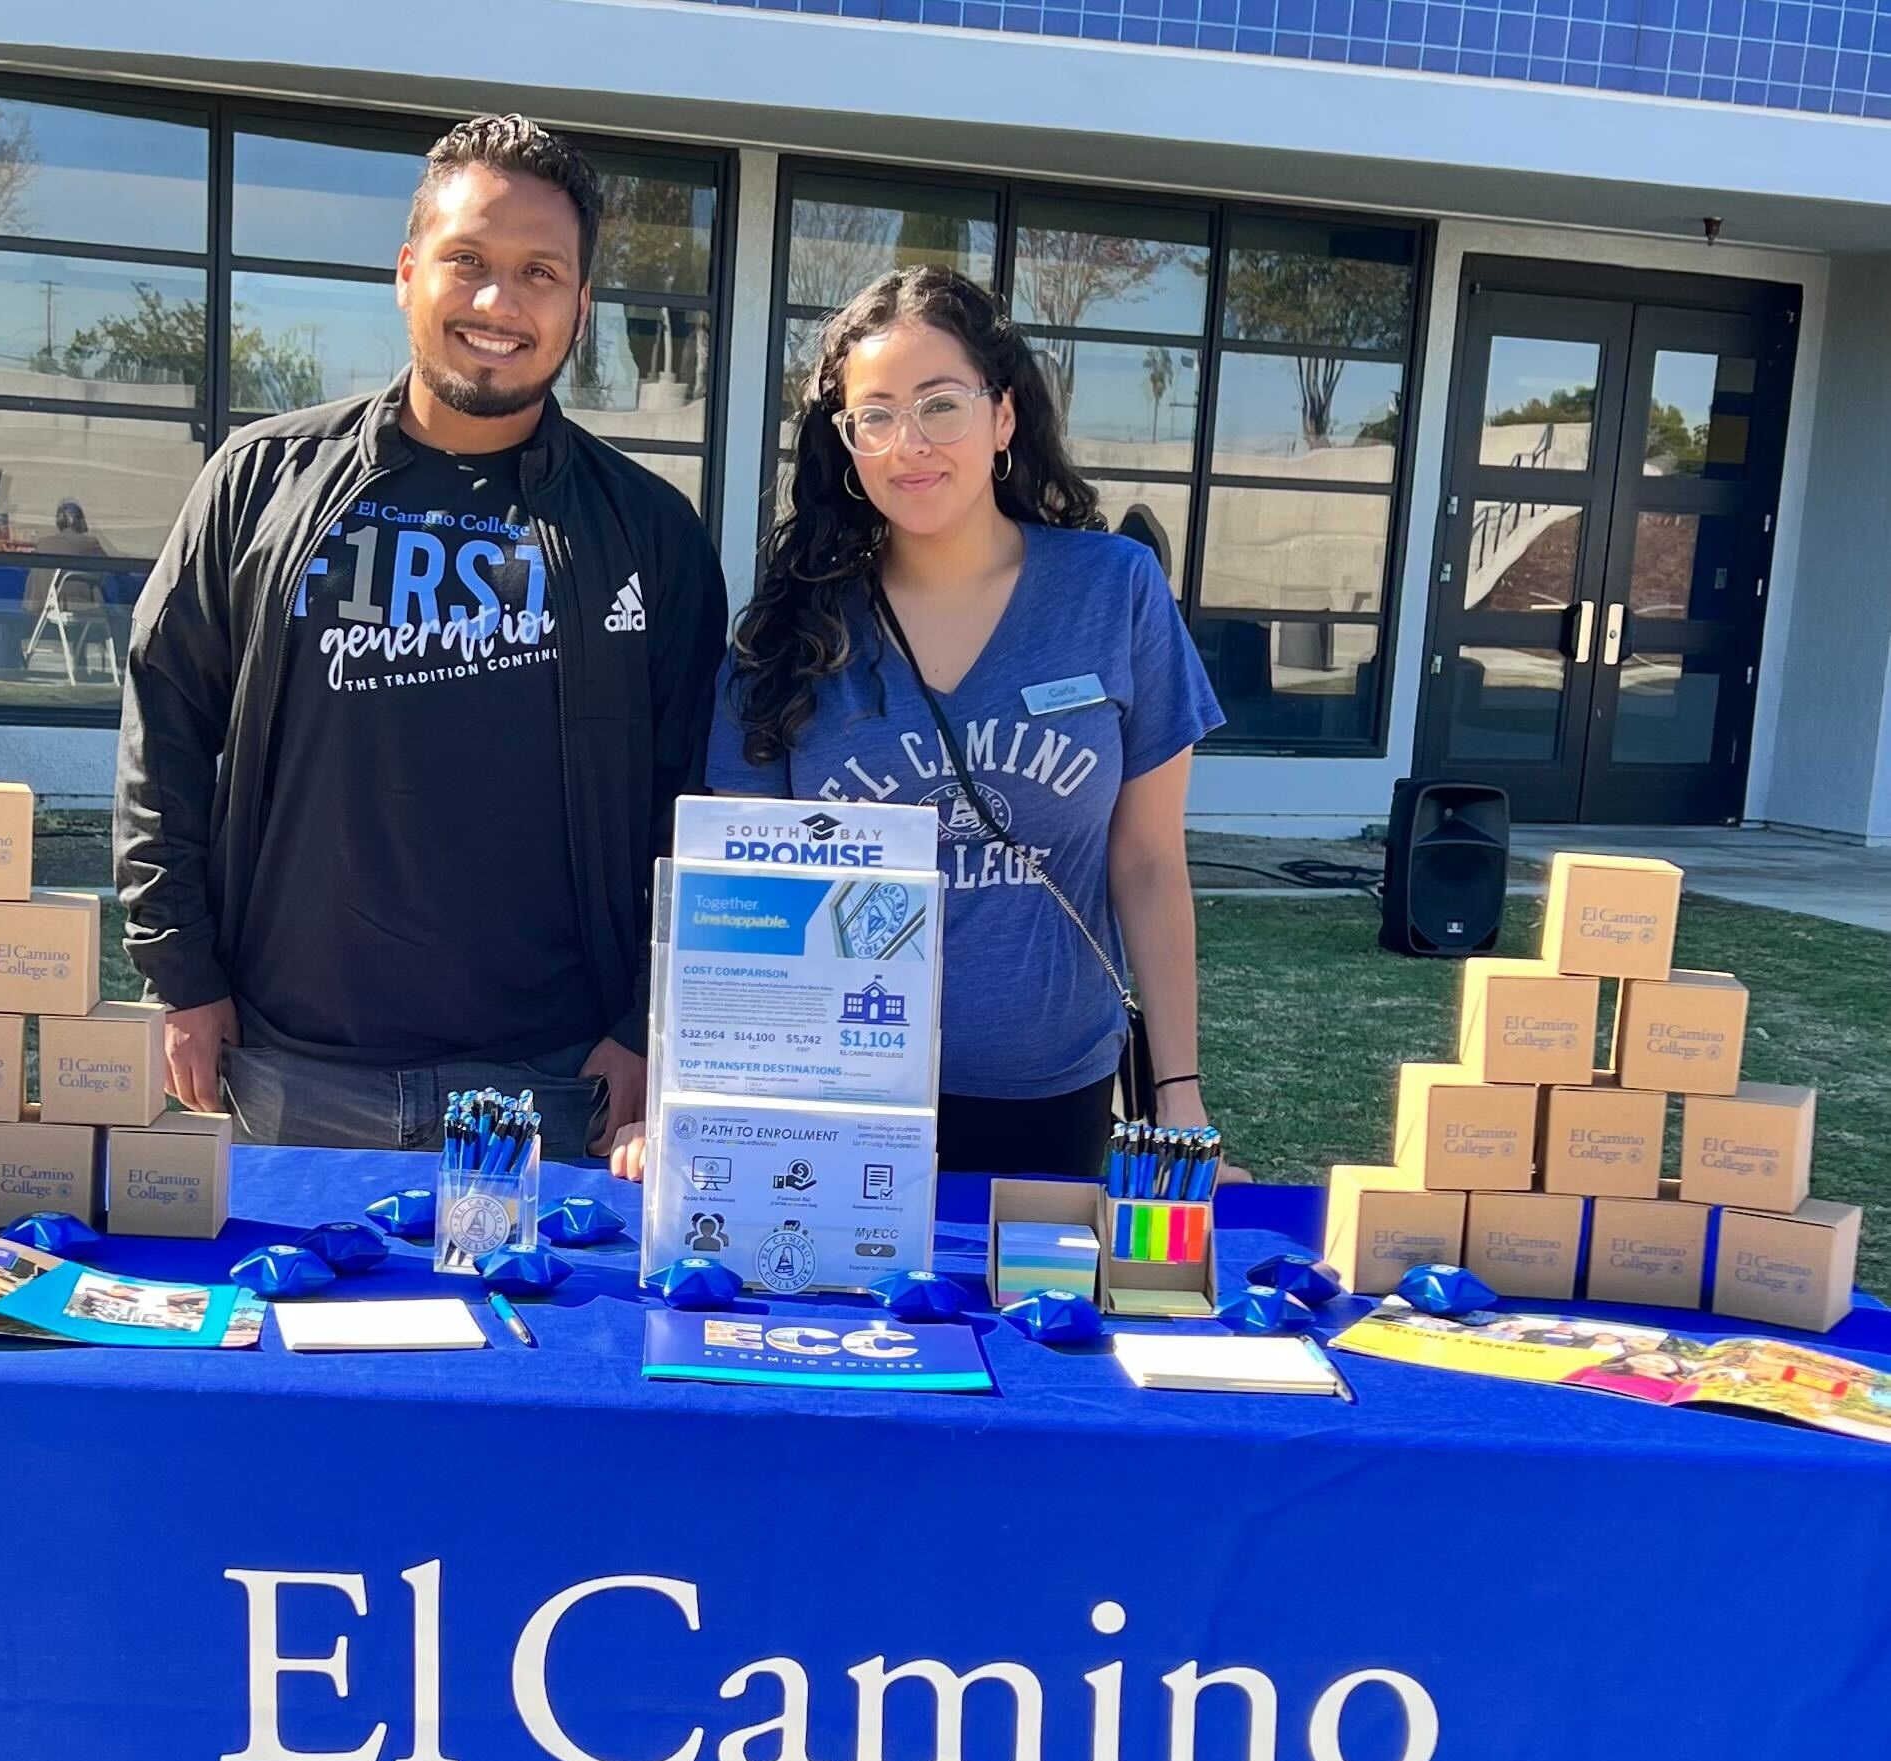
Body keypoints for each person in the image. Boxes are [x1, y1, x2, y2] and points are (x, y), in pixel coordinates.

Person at [115, 113, 727, 1159]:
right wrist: (183, 973)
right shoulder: (262, 482)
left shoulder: (649, 532)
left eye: (541, 272)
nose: (499, 302)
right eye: (468, 261)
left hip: (550, 1082)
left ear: (582, 307)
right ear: (408, 273)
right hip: (291, 1070)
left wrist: (644, 1022)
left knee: (549, 1331)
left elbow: (696, 799)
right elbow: (163, 730)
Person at [674, 265, 1224, 1182]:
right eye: (875, 415)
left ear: (1002, 417)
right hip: (835, 1106)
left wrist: (1180, 1092)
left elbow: (1150, 862)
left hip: (1053, 1095)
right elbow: (741, 900)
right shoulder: (786, 641)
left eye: (940, 404)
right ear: (845, 442)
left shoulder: (1113, 594)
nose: (908, 444)